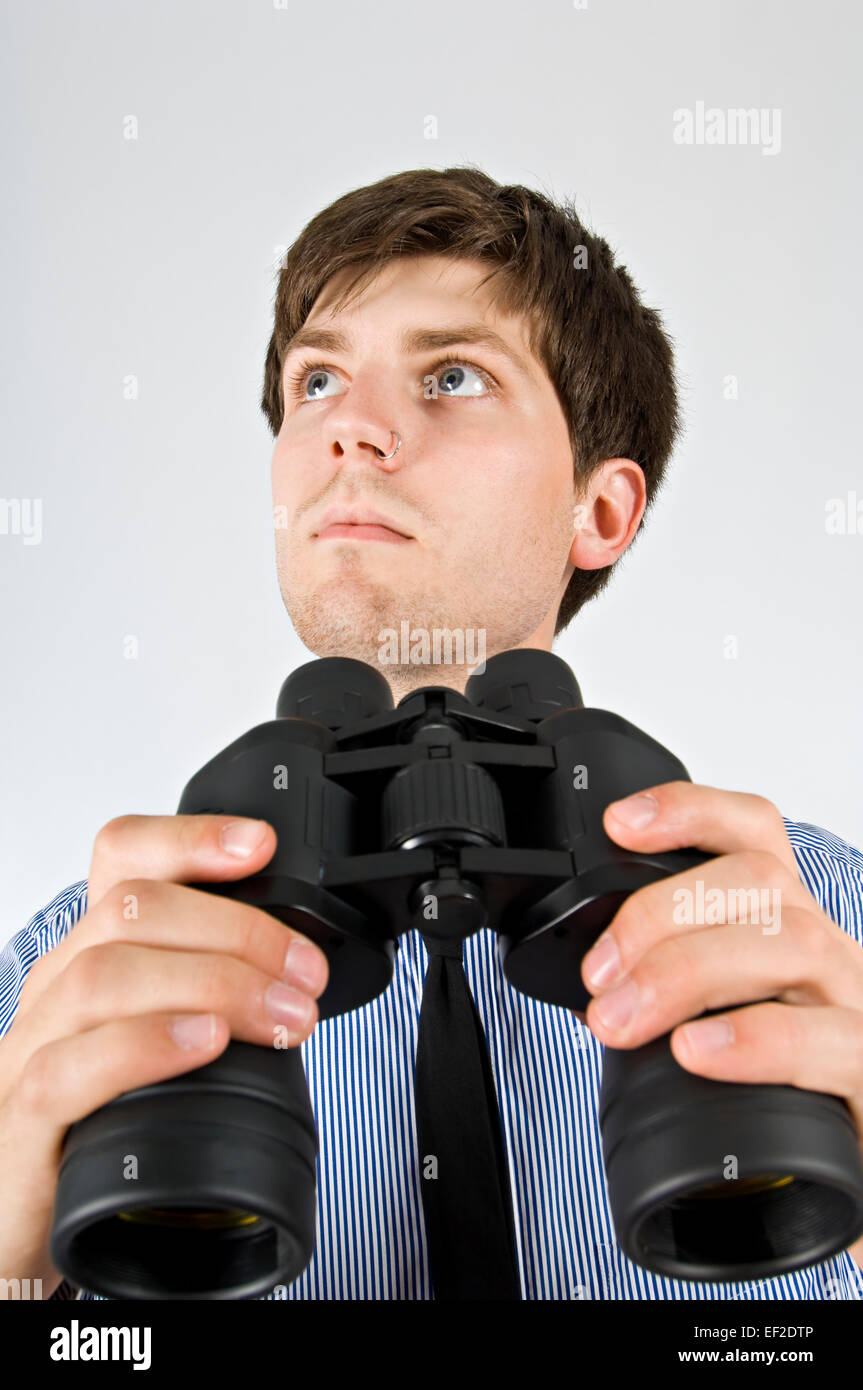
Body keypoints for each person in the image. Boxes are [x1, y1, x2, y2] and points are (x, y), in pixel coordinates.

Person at [3, 165, 863, 1302]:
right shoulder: (76, 975)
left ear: (597, 510)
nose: (350, 431)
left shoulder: (819, 931)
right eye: (316, 381)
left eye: (451, 375)